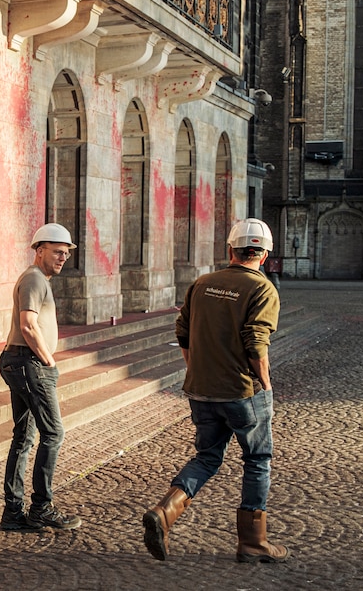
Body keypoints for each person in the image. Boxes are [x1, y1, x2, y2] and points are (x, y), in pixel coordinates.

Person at [142, 217, 288, 563]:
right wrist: (265, 385)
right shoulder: (263, 289)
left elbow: (182, 331)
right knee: (257, 460)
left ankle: (165, 512)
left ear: (230, 251)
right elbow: (256, 342)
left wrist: (195, 369)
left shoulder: (203, 283)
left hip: (201, 390)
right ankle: (253, 542)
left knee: (208, 456)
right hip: (242, 391)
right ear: (264, 255)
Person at [0, 223, 82, 531]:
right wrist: (48, 362)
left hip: (20, 361)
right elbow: (28, 325)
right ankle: (42, 508)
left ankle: (12, 513)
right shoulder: (34, 279)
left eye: (66, 254)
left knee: (24, 437)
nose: (63, 258)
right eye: (58, 252)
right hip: (28, 362)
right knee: (53, 434)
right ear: (39, 250)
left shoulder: (37, 279)